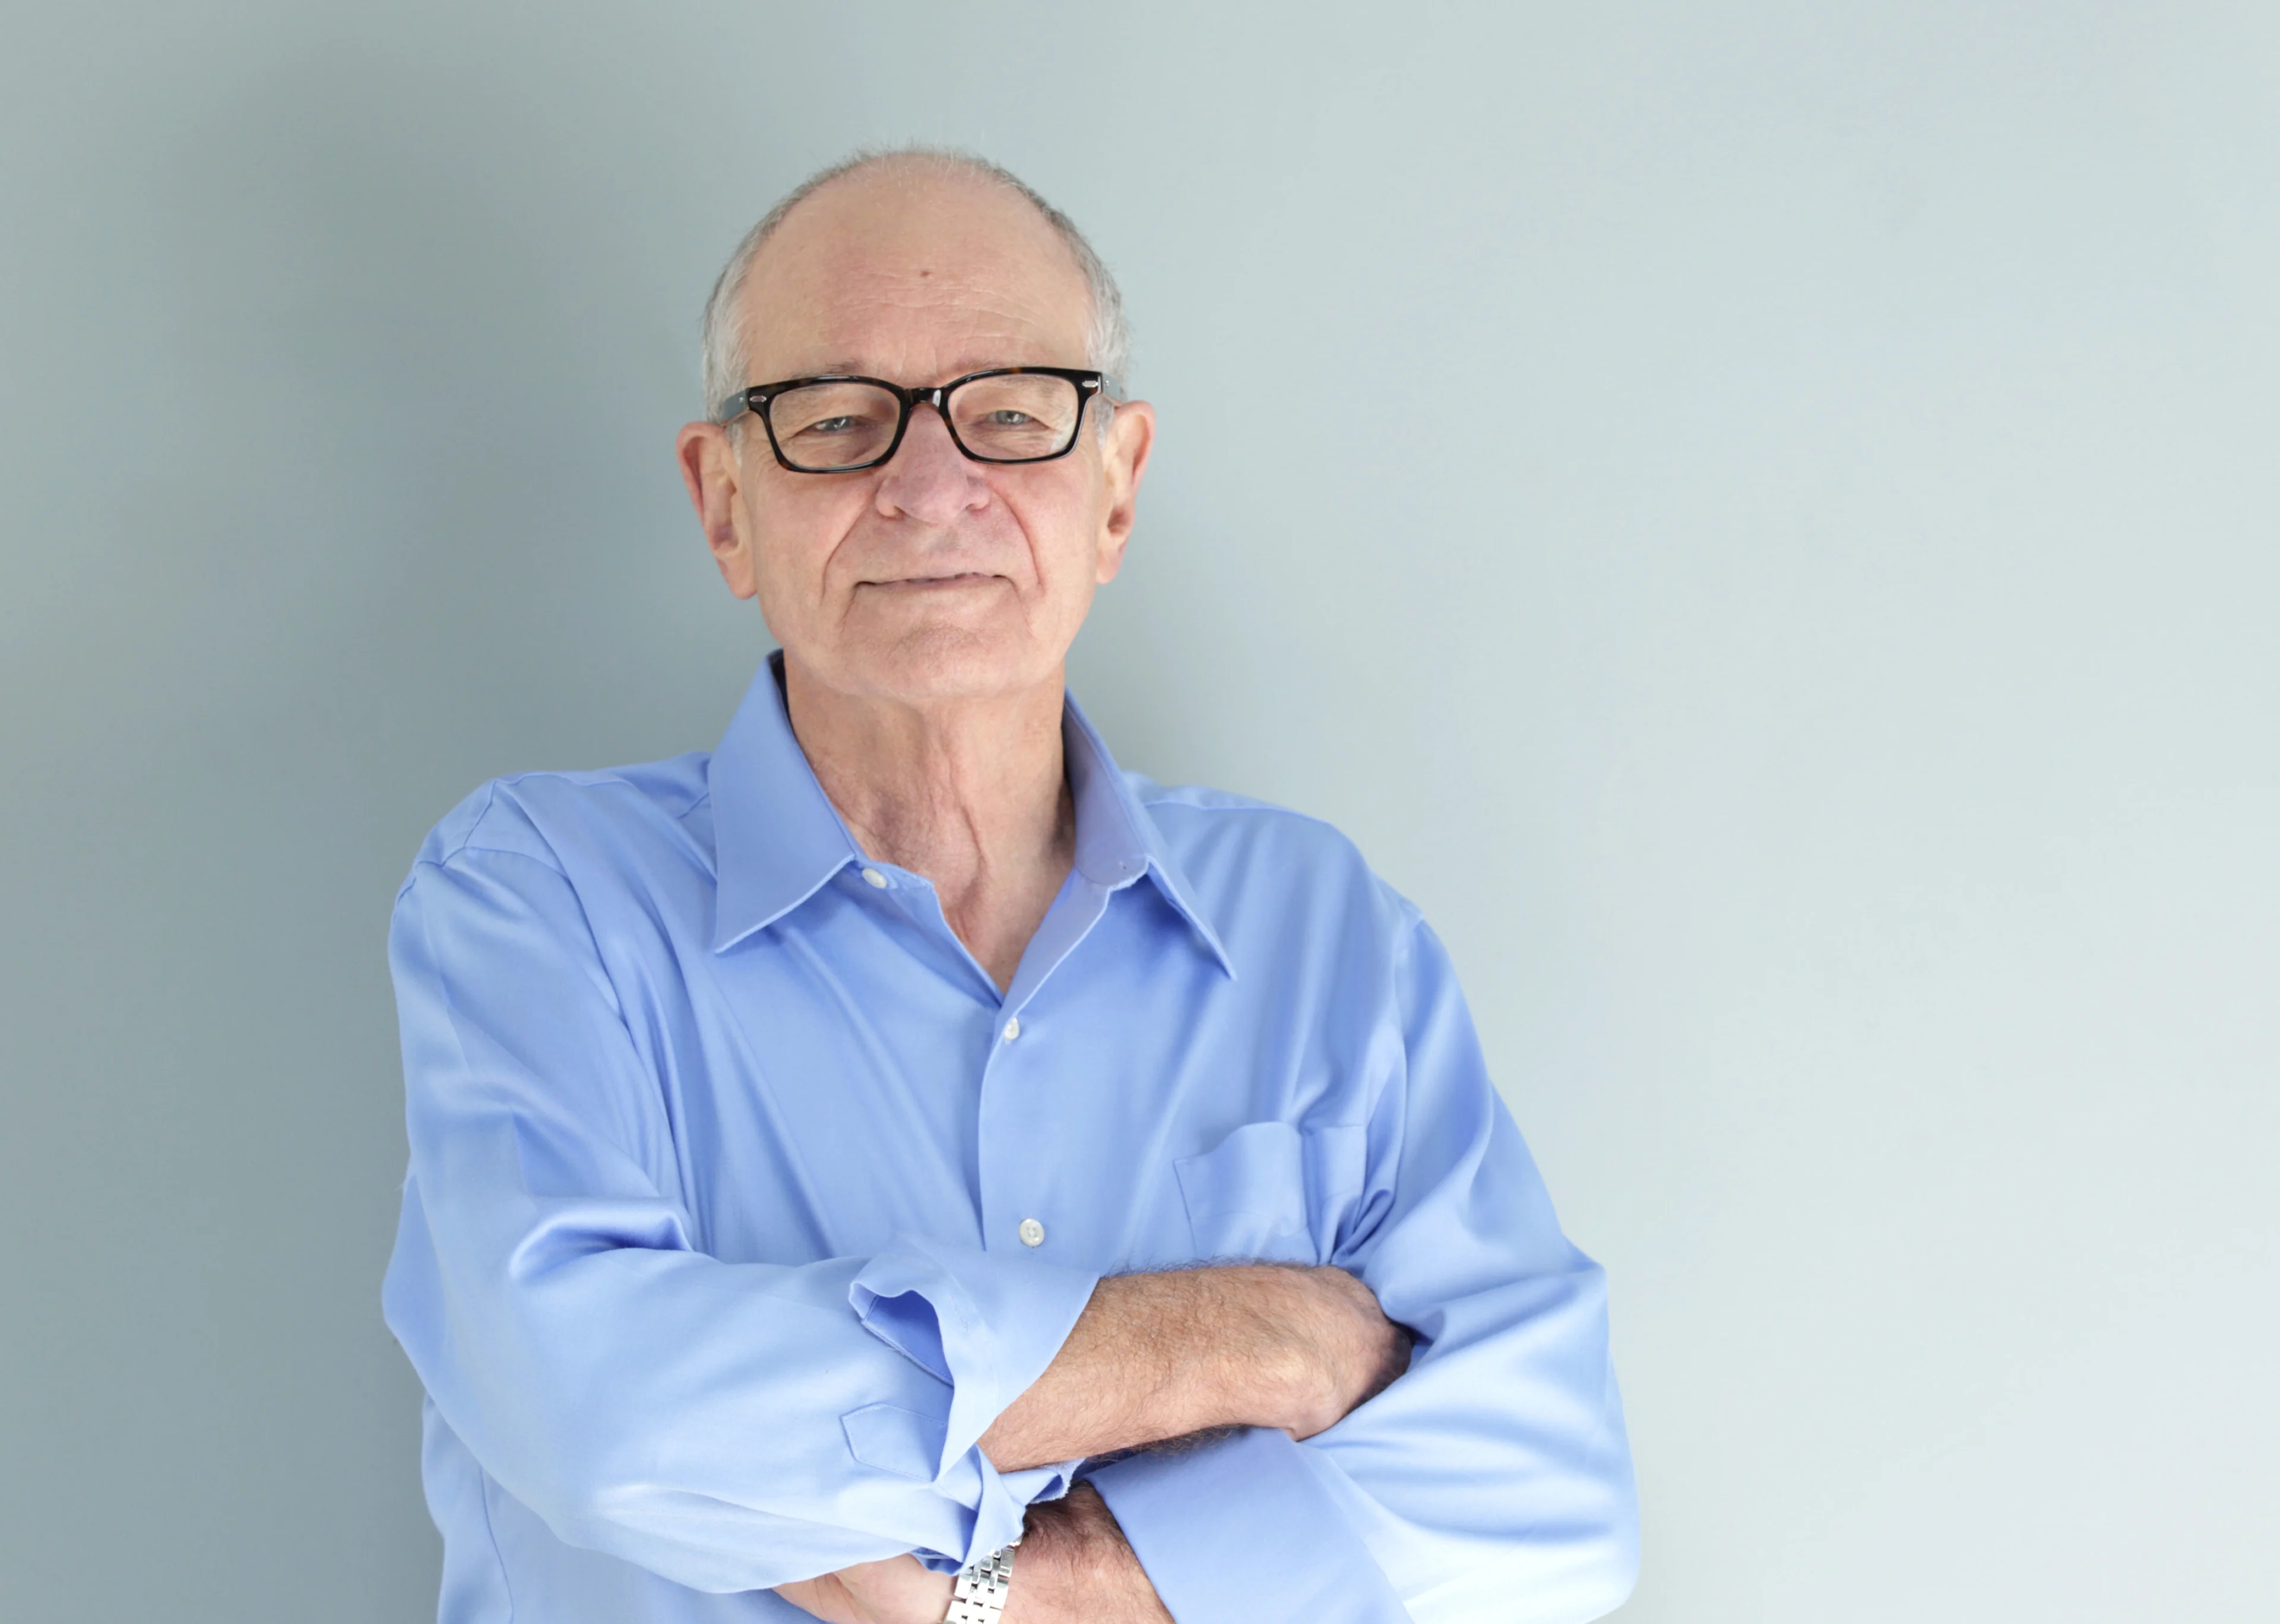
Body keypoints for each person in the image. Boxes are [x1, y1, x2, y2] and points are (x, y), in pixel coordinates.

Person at [381, 147, 1637, 1624]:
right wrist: (1248, 1342)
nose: (930, 487)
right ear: (725, 503)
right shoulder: (540, 900)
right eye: (835, 419)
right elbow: (605, 1412)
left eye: (1015, 414)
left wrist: (1036, 1586)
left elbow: (1554, 1506)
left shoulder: (1320, 924)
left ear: (1115, 488)